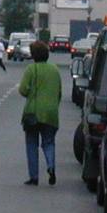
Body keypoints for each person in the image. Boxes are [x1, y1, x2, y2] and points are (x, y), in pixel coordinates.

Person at [18, 40, 62, 185]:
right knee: (49, 142)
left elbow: (23, 90)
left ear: (34, 55)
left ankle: (34, 176)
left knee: (32, 143)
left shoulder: (31, 69)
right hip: (51, 114)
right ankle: (51, 167)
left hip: (33, 113)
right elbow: (59, 93)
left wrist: (31, 93)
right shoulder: (55, 70)